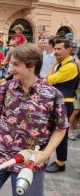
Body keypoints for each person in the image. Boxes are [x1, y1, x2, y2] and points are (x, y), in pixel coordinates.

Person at [0, 45, 68, 196]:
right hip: (0, 154)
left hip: (30, 162)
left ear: (32, 66)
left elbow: (61, 128)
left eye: (16, 64)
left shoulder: (53, 95)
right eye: (11, 63)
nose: (10, 68)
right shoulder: (5, 88)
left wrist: (44, 155)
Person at [45, 38, 79, 173]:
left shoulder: (70, 66)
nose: (56, 52)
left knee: (61, 134)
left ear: (69, 50)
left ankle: (60, 163)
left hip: (65, 104)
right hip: (60, 102)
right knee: (56, 132)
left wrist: (53, 65)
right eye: (55, 49)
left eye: (59, 49)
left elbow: (49, 80)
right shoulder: (64, 64)